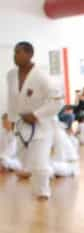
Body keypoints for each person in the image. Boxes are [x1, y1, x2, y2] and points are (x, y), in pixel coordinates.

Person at [6, 41, 63, 200]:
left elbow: (57, 102)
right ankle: (47, 171)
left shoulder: (42, 76)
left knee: (39, 161)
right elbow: (11, 100)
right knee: (27, 161)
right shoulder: (11, 75)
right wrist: (10, 120)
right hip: (21, 124)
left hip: (42, 125)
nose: (15, 56)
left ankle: (42, 194)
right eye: (14, 52)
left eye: (19, 52)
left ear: (30, 54)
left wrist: (36, 115)